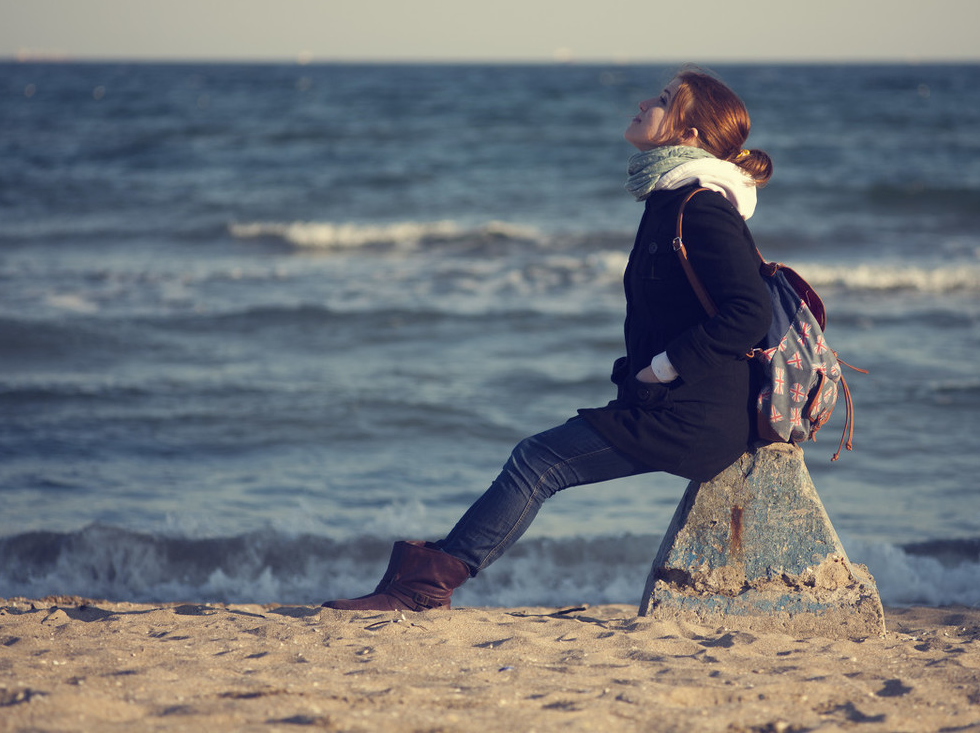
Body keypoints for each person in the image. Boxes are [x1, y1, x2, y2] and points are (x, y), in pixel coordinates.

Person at [322, 68, 774, 612]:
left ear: (691, 135)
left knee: (537, 460)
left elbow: (749, 313)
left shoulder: (700, 206)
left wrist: (662, 368)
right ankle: (423, 577)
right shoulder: (669, 199)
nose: (642, 102)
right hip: (669, 401)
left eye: (662, 99)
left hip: (696, 416)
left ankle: (428, 584)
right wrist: (642, 374)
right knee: (536, 459)